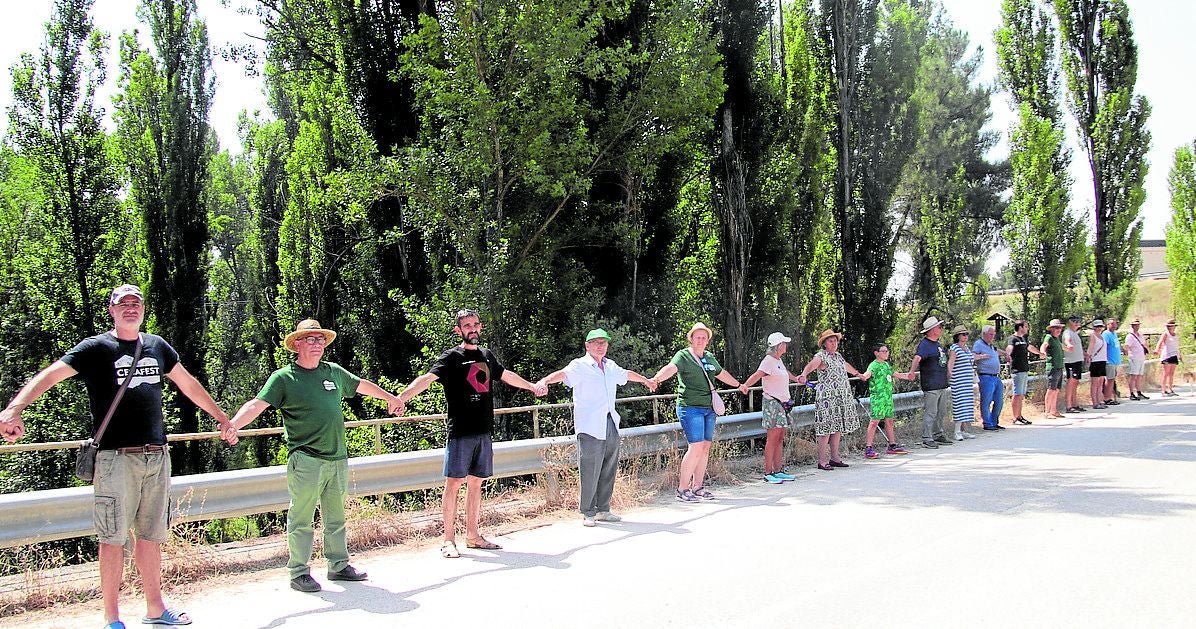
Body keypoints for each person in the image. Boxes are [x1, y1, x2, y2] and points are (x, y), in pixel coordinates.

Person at [0, 284, 232, 629]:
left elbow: (188, 383)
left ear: (143, 309)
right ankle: (112, 618)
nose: (129, 308)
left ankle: (156, 609)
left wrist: (221, 417)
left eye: (135, 303)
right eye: (122, 303)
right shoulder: (95, 348)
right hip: (115, 458)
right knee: (112, 540)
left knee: (152, 537)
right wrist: (14, 409)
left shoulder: (157, 346)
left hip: (156, 454)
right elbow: (50, 375)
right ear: (111, 310)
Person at [226, 319, 403, 592]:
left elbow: (361, 385)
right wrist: (234, 424)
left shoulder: (332, 372)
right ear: (297, 344)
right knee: (302, 518)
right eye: (310, 339)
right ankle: (298, 572)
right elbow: (256, 404)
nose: (317, 344)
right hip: (306, 458)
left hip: (337, 457)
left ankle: (338, 565)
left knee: (336, 517)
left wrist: (390, 398)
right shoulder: (284, 378)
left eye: (320, 339)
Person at [395, 309, 546, 558]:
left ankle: (473, 536)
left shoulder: (487, 355)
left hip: (483, 430)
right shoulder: (451, 357)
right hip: (460, 432)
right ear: (459, 330)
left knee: (476, 484)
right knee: (454, 484)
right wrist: (401, 398)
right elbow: (426, 379)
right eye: (467, 325)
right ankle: (448, 540)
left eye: (475, 324)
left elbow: (505, 375)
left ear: (480, 327)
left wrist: (531, 387)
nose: (472, 328)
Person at [536, 329, 656, 526]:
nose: (601, 346)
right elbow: (563, 374)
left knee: (609, 466)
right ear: (587, 345)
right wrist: (545, 381)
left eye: (604, 342)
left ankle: (603, 509)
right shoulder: (580, 365)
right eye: (596, 342)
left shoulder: (610, 366)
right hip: (590, 424)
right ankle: (588, 511)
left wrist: (646, 380)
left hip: (609, 421)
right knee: (590, 468)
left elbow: (626, 374)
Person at [650, 322, 746, 501]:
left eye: (704, 337)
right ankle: (682, 489)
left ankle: (698, 486)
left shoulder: (709, 357)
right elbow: (670, 368)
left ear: (707, 340)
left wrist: (739, 385)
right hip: (690, 407)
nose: (701, 340)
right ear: (691, 339)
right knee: (695, 447)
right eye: (697, 337)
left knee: (705, 447)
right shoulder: (683, 356)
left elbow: (721, 373)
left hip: (709, 408)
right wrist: (656, 379)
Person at [796, 329, 868, 470]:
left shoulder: (838, 356)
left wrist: (858, 374)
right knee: (825, 429)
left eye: (835, 340)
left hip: (841, 396)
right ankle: (822, 461)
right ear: (824, 343)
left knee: (837, 428)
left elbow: (846, 366)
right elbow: (811, 365)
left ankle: (835, 458)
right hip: (827, 398)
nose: (834, 343)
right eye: (830, 340)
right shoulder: (821, 356)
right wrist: (803, 375)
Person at [741, 332, 804, 481]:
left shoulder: (778, 360)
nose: (786, 345)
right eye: (784, 343)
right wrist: (745, 385)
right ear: (778, 346)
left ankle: (778, 470)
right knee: (772, 438)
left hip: (782, 404)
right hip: (772, 403)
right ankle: (768, 473)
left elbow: (785, 373)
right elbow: (758, 374)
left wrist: (796, 378)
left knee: (780, 437)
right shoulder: (768, 361)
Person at [907, 316, 955, 449]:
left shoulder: (937, 344)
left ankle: (938, 433)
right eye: (939, 327)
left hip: (941, 383)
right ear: (933, 329)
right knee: (931, 412)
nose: (941, 329)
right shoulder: (925, 345)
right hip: (931, 384)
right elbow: (917, 358)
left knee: (941, 411)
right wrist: (912, 372)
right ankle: (927, 437)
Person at [859, 344, 913, 458]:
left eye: (887, 351)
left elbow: (894, 374)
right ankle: (868, 448)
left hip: (887, 397)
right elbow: (868, 374)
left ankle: (892, 445)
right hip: (878, 398)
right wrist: (863, 376)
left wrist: (907, 376)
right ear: (876, 353)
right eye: (883, 351)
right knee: (874, 422)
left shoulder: (886, 365)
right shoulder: (873, 365)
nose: (886, 353)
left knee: (889, 421)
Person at [1005, 319, 1043, 425]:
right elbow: (1009, 347)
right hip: (1017, 370)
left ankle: (1019, 415)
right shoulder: (1013, 338)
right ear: (1020, 327)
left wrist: (1039, 353)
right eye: (1026, 326)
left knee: (1021, 394)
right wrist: (1007, 355)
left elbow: (1030, 347)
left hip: (1024, 369)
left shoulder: (1024, 339)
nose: (1027, 329)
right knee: (1017, 394)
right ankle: (1014, 417)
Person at [972, 325, 1006, 431]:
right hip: (986, 376)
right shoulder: (978, 344)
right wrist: (982, 357)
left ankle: (994, 421)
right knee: (986, 401)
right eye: (991, 334)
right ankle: (987, 423)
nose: (992, 336)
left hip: (995, 376)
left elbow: (996, 351)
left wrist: (1006, 354)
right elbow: (972, 356)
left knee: (999, 400)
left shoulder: (991, 345)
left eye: (993, 334)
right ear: (984, 334)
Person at [947, 326, 978, 440]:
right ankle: (956, 431)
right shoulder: (954, 348)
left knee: (967, 405)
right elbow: (951, 362)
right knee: (959, 404)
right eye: (963, 334)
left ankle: (964, 430)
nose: (965, 336)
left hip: (967, 381)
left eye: (966, 334)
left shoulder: (967, 348)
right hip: (958, 381)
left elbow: (972, 359)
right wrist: (949, 373)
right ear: (957, 336)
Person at [1041, 319, 1067, 419]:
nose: (1059, 330)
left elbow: (1063, 347)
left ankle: (1054, 410)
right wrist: (1042, 352)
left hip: (1059, 367)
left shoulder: (1056, 339)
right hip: (1052, 367)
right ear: (1051, 329)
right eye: (1056, 328)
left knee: (1056, 390)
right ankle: (1047, 412)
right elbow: (1044, 345)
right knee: (1051, 389)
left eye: (1060, 328)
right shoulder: (1049, 337)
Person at [1062, 317, 1087, 413]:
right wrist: (1068, 344)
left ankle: (1074, 403)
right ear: (1069, 322)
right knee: (1071, 382)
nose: (1077, 323)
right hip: (1071, 361)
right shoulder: (1067, 332)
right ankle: (1068, 405)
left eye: (1078, 321)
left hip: (1077, 361)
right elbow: (1067, 340)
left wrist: (1085, 354)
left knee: (1076, 382)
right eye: (1074, 321)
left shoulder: (1075, 333)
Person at [1123, 318, 1151, 400]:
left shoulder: (1140, 335)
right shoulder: (1130, 336)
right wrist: (1126, 354)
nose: (1137, 326)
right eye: (1135, 325)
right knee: (1133, 376)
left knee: (1139, 376)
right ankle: (1131, 393)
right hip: (1134, 358)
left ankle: (1139, 392)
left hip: (1141, 357)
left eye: (1138, 325)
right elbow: (1127, 346)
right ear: (1132, 326)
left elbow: (1144, 344)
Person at [1155, 319, 1182, 396]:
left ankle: (1170, 389)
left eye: (1172, 326)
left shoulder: (1175, 335)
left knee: (1171, 373)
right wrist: (1157, 350)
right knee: (1166, 373)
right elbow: (1160, 342)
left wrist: (1179, 355)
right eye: (1169, 326)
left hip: (1174, 355)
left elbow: (1177, 346)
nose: (1170, 327)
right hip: (1167, 355)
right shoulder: (1166, 334)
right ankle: (1163, 390)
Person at [1085, 320, 1108, 410]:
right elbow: (1090, 348)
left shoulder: (1102, 336)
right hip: (1095, 361)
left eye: (1100, 326)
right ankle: (1095, 402)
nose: (1099, 328)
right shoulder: (1093, 336)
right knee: (1095, 383)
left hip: (1102, 360)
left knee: (1100, 382)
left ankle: (1099, 401)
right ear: (1094, 327)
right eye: (1097, 326)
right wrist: (1088, 357)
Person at [1102, 318, 1123, 405]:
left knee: (1112, 379)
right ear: (1107, 325)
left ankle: (1110, 396)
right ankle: (1106, 398)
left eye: (1115, 324)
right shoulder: (1106, 334)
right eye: (1111, 324)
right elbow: (1104, 346)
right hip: (1109, 361)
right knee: (1109, 379)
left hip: (1115, 361)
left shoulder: (1114, 334)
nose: (1114, 325)